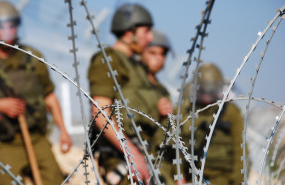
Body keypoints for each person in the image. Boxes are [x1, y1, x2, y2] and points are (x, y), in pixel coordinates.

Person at [0, 1, 72, 184]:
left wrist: (64, 131)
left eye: (13, 25)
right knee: (2, 179)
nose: (8, 30)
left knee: (54, 179)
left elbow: (49, 96)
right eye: (2, 26)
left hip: (37, 139)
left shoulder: (33, 58)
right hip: (5, 143)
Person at [88, 3, 174, 185]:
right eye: (146, 31)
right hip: (122, 155)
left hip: (146, 153)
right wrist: (130, 152)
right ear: (130, 32)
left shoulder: (139, 70)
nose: (150, 37)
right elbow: (100, 112)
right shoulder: (109, 60)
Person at [180, 63, 244, 185]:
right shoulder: (185, 110)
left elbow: (239, 152)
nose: (206, 95)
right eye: (203, 90)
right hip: (190, 178)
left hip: (221, 179)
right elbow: (174, 147)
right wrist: (177, 175)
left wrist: (237, 181)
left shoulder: (230, 112)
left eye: (211, 90)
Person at [141, 29, 181, 185]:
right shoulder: (130, 85)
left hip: (160, 166)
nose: (158, 58)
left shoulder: (162, 91)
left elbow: (169, 138)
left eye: (162, 54)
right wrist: (154, 110)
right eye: (153, 53)